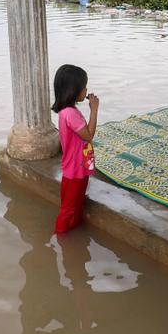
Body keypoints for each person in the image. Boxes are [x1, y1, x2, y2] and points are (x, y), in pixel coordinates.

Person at [51, 64, 98, 234]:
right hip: (75, 169)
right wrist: (94, 110)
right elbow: (89, 136)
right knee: (69, 208)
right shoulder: (70, 113)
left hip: (78, 165)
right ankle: (61, 238)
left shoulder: (68, 111)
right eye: (84, 87)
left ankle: (74, 238)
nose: (86, 91)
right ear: (73, 90)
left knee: (77, 203)